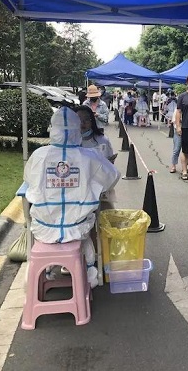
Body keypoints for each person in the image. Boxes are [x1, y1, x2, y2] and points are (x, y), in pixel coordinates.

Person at [24, 107, 120, 288]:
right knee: (86, 238)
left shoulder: (39, 155)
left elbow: (29, 180)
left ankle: (44, 270)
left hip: (43, 228)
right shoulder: (89, 156)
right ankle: (90, 275)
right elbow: (112, 177)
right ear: (77, 130)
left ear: (53, 129)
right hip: (78, 228)